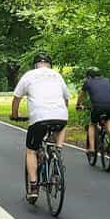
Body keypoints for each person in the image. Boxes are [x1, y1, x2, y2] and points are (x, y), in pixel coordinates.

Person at [11, 53, 70, 199]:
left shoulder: (29, 75)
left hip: (39, 118)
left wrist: (15, 115)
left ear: (35, 65)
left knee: (31, 151)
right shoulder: (57, 76)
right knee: (62, 124)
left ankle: (33, 186)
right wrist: (62, 112)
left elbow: (16, 98)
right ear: (50, 65)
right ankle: (58, 151)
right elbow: (66, 99)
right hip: (60, 115)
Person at [76, 66, 110, 158]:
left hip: (97, 106)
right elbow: (108, 93)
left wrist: (78, 105)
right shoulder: (107, 80)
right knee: (107, 120)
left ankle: (92, 149)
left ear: (89, 76)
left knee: (92, 124)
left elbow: (81, 96)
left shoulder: (88, 82)